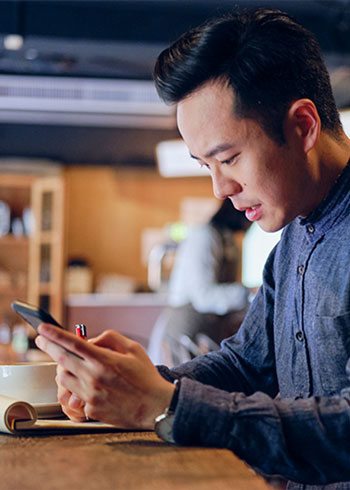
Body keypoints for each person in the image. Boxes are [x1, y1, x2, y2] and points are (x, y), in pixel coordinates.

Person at [34, 8, 350, 489]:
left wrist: (162, 404)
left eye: (229, 158)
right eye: (206, 165)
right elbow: (246, 365)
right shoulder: (293, 240)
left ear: (303, 126)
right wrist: (139, 381)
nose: (219, 189)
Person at [161, 198, 250, 363]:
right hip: (187, 328)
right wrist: (249, 293)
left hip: (209, 328)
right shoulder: (204, 236)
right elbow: (203, 296)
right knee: (183, 386)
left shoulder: (227, 239)